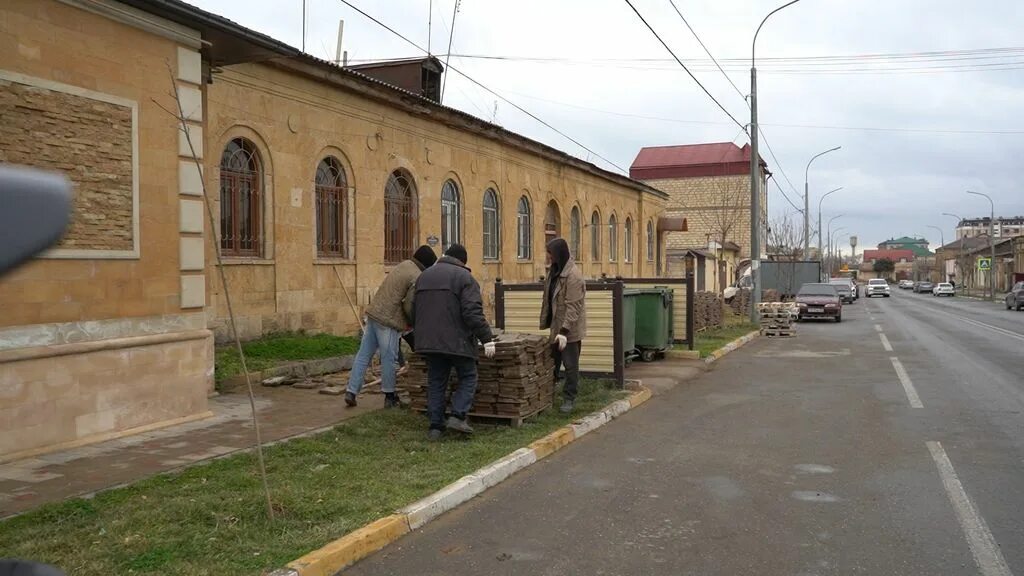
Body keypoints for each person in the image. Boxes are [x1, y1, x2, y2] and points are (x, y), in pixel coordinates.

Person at [413, 243, 496, 440]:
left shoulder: (424, 276)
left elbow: (413, 309)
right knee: (468, 375)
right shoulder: (465, 278)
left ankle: (435, 426)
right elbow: (472, 313)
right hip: (456, 340)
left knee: (436, 380)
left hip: (429, 340)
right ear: (462, 261)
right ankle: (458, 416)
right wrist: (487, 338)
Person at [345, 245, 437, 408]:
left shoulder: (403, 265)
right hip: (388, 321)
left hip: (374, 314)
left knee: (363, 355)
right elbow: (410, 305)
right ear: (427, 264)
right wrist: (414, 323)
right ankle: (390, 396)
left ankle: (351, 391)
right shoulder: (417, 275)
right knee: (389, 358)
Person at [540, 237, 587, 414]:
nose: (549, 258)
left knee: (570, 366)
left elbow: (574, 307)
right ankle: (547, 397)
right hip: (556, 326)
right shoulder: (554, 272)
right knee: (552, 363)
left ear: (560, 254)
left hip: (569, 331)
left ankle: (569, 398)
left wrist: (564, 332)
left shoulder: (573, 276)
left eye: (551, 254)